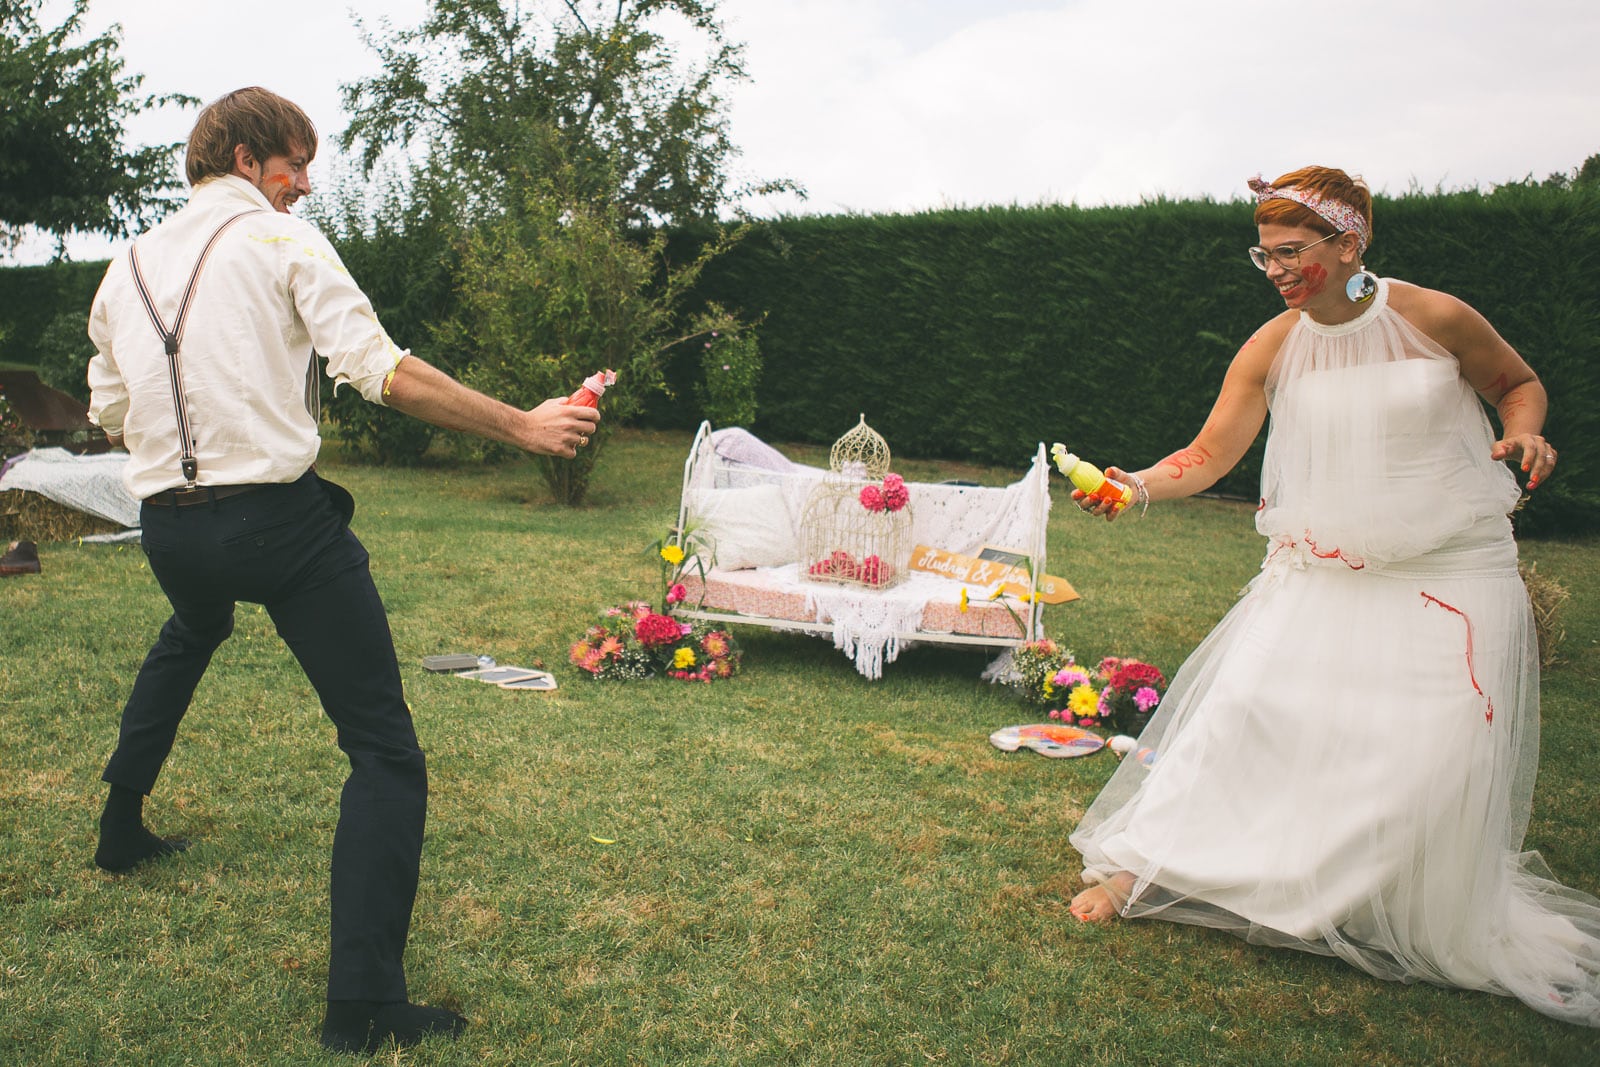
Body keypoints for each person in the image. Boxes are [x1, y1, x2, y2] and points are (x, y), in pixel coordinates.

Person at [85, 87, 600, 1054]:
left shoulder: (125, 267)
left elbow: (110, 408)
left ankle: (119, 825)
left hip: (168, 529)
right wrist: (525, 425)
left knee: (193, 628)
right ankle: (361, 1004)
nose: (305, 185)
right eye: (295, 164)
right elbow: (383, 369)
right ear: (245, 157)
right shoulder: (279, 241)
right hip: (278, 527)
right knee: (384, 751)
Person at [1064, 166, 1600, 1026]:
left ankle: (1375, 893)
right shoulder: (1272, 345)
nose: (1274, 270)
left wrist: (1525, 432)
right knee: (1246, 709)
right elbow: (1208, 453)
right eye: (1264, 254)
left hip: (1448, 568)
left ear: (1348, 244)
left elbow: (1518, 384)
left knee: (1426, 749)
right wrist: (1134, 486)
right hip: (1322, 562)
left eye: (1291, 251)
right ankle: (1147, 866)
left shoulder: (1435, 316)